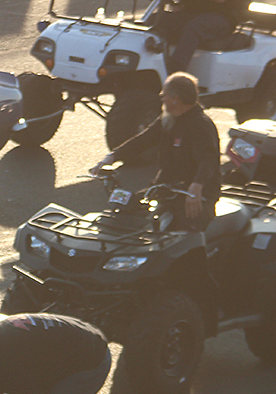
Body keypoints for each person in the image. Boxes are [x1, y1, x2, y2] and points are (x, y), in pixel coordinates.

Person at [92, 72, 221, 231]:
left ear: (175, 99)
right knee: (128, 212)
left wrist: (196, 188)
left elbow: (208, 161)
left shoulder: (200, 125)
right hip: (167, 190)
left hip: (195, 196)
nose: (161, 98)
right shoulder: (169, 119)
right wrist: (112, 157)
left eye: (164, 95)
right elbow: (143, 139)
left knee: (180, 236)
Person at [149, 0, 250, 73]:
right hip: (193, 14)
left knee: (195, 27)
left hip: (223, 18)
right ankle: (153, 65)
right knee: (156, 20)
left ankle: (175, 72)